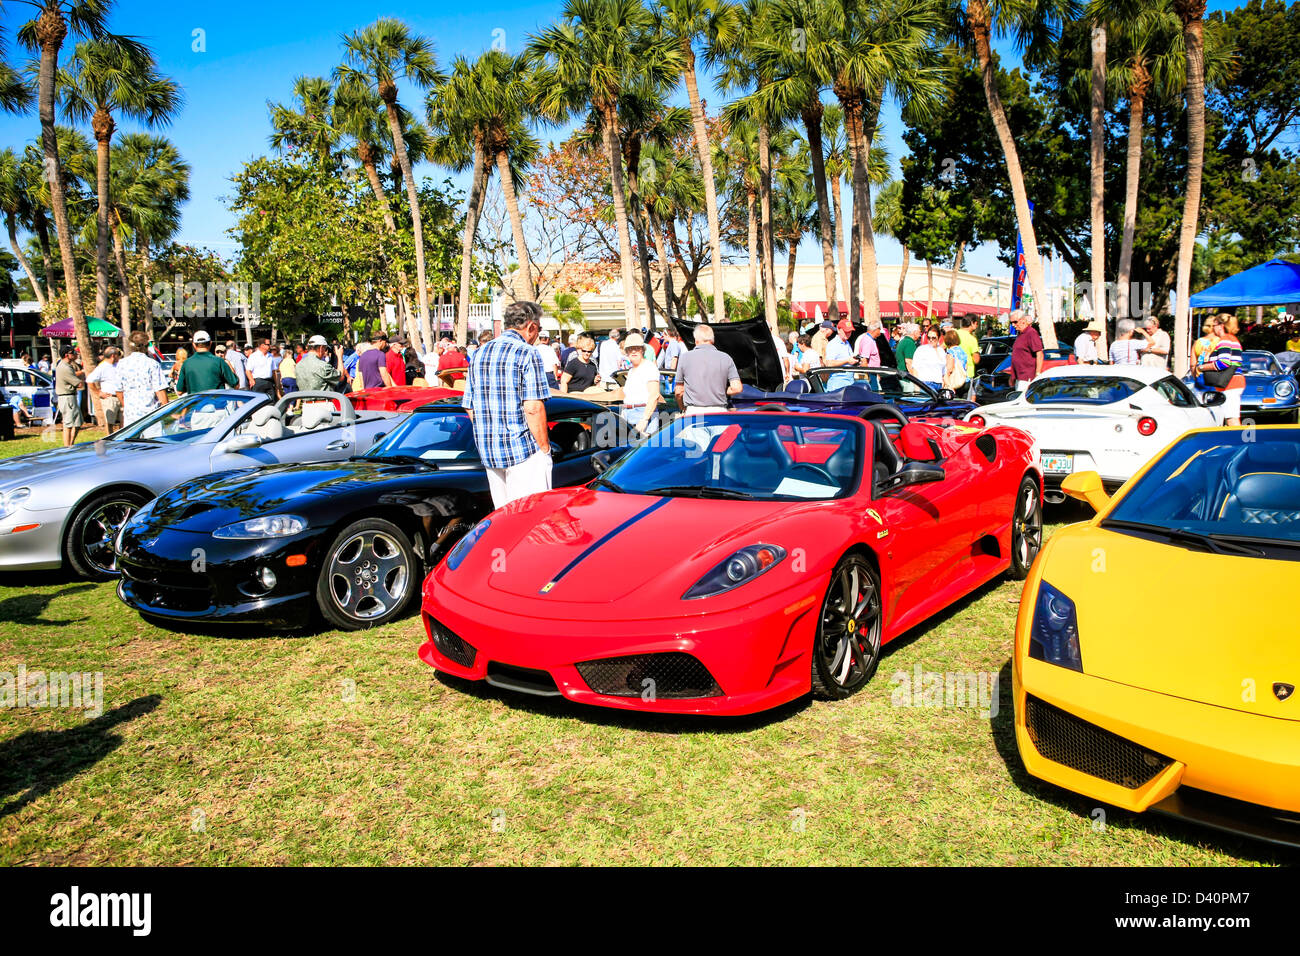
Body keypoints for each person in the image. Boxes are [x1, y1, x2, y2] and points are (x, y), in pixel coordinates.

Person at [465, 300, 552, 508]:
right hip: (523, 450)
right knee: (531, 518)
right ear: (531, 326)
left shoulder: (479, 353)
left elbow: (470, 407)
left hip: (489, 451)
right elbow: (533, 408)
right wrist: (545, 449)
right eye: (538, 329)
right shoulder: (527, 352)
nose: (537, 335)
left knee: (504, 517)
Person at [674, 323, 741, 415]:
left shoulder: (685, 358)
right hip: (719, 412)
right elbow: (737, 388)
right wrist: (720, 391)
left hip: (694, 412)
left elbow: (679, 391)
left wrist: (682, 408)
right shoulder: (726, 358)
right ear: (712, 340)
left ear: (696, 340)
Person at [1197, 313, 1245, 426]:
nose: (1213, 328)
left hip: (1230, 384)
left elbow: (1223, 363)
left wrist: (1202, 367)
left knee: (1231, 418)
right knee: (1230, 417)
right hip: (1233, 382)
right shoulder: (1233, 339)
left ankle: (1238, 442)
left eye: (1214, 325)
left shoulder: (1225, 340)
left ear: (1221, 326)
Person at [118, 331, 170, 427]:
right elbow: (160, 390)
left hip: (130, 415)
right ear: (146, 346)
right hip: (151, 414)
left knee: (132, 441)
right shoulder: (152, 364)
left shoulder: (121, 364)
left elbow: (119, 390)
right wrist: (167, 411)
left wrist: (126, 406)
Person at [617, 332, 662, 436]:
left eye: (637, 348)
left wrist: (645, 419)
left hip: (643, 413)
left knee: (645, 450)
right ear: (626, 352)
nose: (633, 351)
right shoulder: (631, 371)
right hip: (629, 413)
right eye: (630, 348)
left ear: (642, 349)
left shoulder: (649, 367)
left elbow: (654, 395)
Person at [176, 331, 238, 395]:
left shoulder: (187, 363)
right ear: (210, 343)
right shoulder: (219, 361)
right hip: (217, 403)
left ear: (194, 345)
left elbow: (179, 391)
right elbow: (236, 385)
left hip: (196, 403)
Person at [86, 347, 124, 436]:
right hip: (110, 398)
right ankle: (109, 440)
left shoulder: (119, 365)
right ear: (113, 356)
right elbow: (89, 380)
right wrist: (99, 392)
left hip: (121, 396)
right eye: (118, 355)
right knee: (109, 422)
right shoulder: (102, 367)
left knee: (124, 422)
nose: (119, 357)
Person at [53, 344, 85, 446]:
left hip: (70, 397)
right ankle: (67, 447)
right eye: (73, 352)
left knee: (77, 422)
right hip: (67, 398)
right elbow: (78, 384)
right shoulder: (65, 367)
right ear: (67, 355)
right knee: (68, 424)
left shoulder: (66, 366)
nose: (76, 354)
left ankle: (71, 444)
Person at [1009, 310, 1044, 388]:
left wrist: (1037, 374)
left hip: (1027, 378)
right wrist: (1012, 377)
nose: (1013, 325)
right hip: (1019, 378)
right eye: (1011, 323)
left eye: (1015, 322)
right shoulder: (1020, 334)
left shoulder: (1031, 333)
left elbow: (1039, 354)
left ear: (1023, 320)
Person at [824, 319, 859, 389]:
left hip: (848, 384)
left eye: (850, 331)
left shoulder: (847, 342)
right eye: (846, 331)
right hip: (837, 386)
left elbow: (849, 359)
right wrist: (847, 361)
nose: (848, 333)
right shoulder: (833, 344)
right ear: (838, 330)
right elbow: (829, 363)